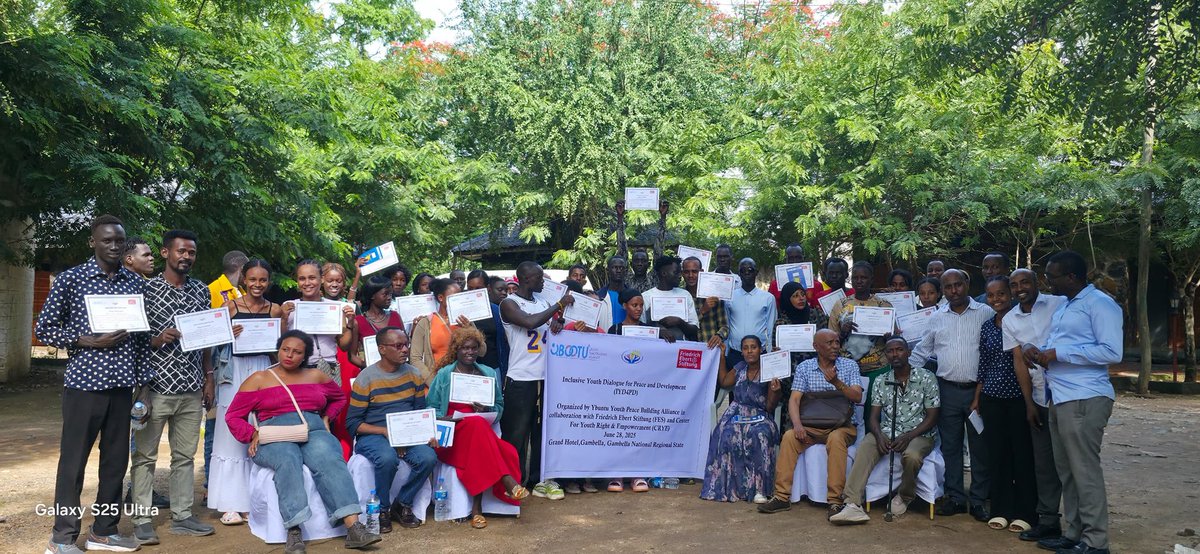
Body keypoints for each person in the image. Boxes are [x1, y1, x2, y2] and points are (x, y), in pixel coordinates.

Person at [36, 215, 149, 554]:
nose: (113, 246)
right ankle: (63, 538)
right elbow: (45, 329)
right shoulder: (72, 280)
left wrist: (143, 387)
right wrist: (85, 340)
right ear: (93, 242)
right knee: (73, 463)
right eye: (107, 240)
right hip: (84, 387)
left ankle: (104, 531)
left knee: (115, 462)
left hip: (121, 387)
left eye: (119, 241)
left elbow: (142, 340)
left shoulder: (134, 283)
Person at [226, 330, 381, 553]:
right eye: (285, 349)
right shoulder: (259, 379)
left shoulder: (316, 375)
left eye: (297, 352)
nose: (289, 355)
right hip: (273, 434)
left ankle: (354, 527)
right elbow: (233, 416)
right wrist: (251, 434)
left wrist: (327, 417)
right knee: (288, 459)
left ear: (305, 355)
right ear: (278, 350)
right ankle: (294, 531)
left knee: (329, 458)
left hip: (312, 429)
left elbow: (338, 398)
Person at [1024, 251, 1122, 554]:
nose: (1047, 282)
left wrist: (1058, 355)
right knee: (1066, 471)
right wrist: (1038, 352)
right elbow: (1061, 345)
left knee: (1084, 471)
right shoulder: (1067, 306)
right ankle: (1074, 532)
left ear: (1072, 277)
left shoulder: (1100, 304)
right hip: (1060, 396)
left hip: (1085, 397)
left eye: (1052, 276)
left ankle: (1095, 542)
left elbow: (1111, 352)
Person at [130, 229, 215, 543]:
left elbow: (207, 338)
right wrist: (157, 339)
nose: (186, 257)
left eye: (191, 252)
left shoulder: (201, 290)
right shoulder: (145, 289)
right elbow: (133, 338)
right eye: (181, 251)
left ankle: (182, 515)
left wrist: (209, 378)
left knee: (184, 457)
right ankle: (141, 519)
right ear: (165, 252)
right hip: (154, 388)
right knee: (144, 457)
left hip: (192, 387)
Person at [909, 269, 994, 521]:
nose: (954, 291)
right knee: (951, 447)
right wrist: (901, 371)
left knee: (980, 447)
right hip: (947, 390)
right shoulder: (937, 317)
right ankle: (956, 496)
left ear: (967, 284)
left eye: (958, 285)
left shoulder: (986, 313)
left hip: (978, 392)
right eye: (948, 287)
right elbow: (922, 350)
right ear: (942, 290)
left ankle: (978, 499)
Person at [427, 327, 529, 528]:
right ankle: (506, 481)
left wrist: (487, 408)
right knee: (477, 424)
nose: (470, 352)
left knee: (477, 423)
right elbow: (430, 407)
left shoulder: (488, 373)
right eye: (465, 348)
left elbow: (499, 406)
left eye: (474, 348)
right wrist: (446, 417)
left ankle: (476, 510)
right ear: (456, 350)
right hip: (452, 434)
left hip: (479, 433)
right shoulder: (445, 374)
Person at [829, 338, 940, 524]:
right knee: (865, 447)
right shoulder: (882, 380)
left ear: (909, 352)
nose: (895, 354)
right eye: (890, 351)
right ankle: (852, 504)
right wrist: (879, 436)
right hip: (888, 430)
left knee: (912, 456)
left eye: (900, 350)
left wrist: (908, 436)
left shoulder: (926, 377)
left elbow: (932, 417)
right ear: (885, 355)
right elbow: (873, 417)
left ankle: (904, 496)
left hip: (919, 433)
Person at [208, 259, 285, 526]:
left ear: (269, 282)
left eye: (262, 280)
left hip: (262, 370)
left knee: (260, 430)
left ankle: (254, 500)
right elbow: (210, 342)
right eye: (252, 279)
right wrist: (226, 333)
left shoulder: (275, 310)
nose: (257, 285)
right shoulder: (230, 306)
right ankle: (229, 503)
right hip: (234, 371)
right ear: (244, 280)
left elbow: (281, 348)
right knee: (231, 431)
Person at [758, 329, 863, 517]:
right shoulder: (805, 367)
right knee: (790, 436)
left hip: (842, 426)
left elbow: (857, 396)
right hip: (812, 426)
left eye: (837, 342)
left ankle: (835, 501)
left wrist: (837, 382)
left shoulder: (849, 366)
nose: (835, 346)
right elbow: (795, 399)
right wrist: (797, 425)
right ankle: (781, 497)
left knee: (836, 438)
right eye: (830, 343)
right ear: (816, 347)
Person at [346, 326, 437, 533]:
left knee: (428, 457)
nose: (405, 349)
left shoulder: (414, 375)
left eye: (406, 344)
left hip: (406, 433)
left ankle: (402, 503)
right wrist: (387, 433)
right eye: (398, 346)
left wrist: (425, 434)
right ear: (382, 349)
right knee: (387, 459)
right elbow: (353, 423)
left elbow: (419, 412)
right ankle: (383, 509)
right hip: (374, 434)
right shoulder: (366, 378)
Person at [1003, 268, 1067, 543]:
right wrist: (1029, 403)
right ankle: (1048, 521)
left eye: (1025, 282)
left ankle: (1077, 525)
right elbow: (1020, 363)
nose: (1020, 288)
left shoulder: (1058, 303)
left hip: (1067, 394)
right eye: (1014, 284)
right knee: (1043, 465)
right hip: (1040, 397)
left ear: (1037, 282)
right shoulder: (1010, 319)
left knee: (1070, 463)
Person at [499, 261, 574, 500]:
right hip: (521, 377)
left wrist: (557, 323)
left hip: (545, 376)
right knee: (516, 434)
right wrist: (559, 305)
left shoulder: (542, 302)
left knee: (541, 432)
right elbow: (530, 322)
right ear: (526, 279)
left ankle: (539, 480)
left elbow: (545, 327)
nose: (543, 281)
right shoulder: (508, 303)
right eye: (539, 277)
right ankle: (513, 482)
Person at [972, 276, 1036, 532]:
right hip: (992, 397)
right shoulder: (987, 327)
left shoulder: (1022, 321)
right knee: (996, 455)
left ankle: (1026, 512)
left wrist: (1030, 400)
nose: (996, 299)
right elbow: (984, 364)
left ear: (1010, 294)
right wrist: (977, 397)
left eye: (1001, 294)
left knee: (1022, 455)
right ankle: (1000, 509)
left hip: (1019, 397)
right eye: (991, 295)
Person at [281, 260, 356, 458]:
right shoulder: (289, 308)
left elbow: (344, 345)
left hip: (328, 369)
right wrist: (282, 319)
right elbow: (279, 345)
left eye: (312, 277)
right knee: (303, 417)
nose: (307, 282)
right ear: (297, 282)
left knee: (327, 419)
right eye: (302, 278)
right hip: (301, 370)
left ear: (321, 279)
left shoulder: (336, 307)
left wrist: (349, 323)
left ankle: (326, 460)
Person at [120, 237, 171, 510]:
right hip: (127, 372)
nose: (152, 259)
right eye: (146, 255)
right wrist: (157, 339)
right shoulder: (126, 289)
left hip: (142, 372)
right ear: (129, 259)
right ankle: (131, 490)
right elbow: (132, 336)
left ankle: (137, 488)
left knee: (137, 430)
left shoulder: (143, 286)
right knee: (135, 432)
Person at [702, 336, 782, 503]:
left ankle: (759, 489)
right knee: (726, 434)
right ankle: (729, 488)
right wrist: (723, 355)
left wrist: (775, 390)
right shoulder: (739, 368)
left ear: (760, 350)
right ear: (742, 351)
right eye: (745, 348)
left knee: (759, 435)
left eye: (753, 347)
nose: (749, 351)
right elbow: (724, 382)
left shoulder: (769, 369)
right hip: (737, 413)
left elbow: (770, 406)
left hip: (760, 415)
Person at [409, 278, 482, 380]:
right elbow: (415, 359)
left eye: (459, 296)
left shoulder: (465, 321)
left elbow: (482, 351)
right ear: (440, 298)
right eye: (453, 297)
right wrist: (433, 382)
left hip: (464, 381)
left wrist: (470, 329)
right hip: (435, 383)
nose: (458, 300)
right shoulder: (425, 323)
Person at [828, 261, 894, 373]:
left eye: (863, 277)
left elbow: (893, 340)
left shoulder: (884, 305)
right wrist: (843, 333)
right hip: (846, 367)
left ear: (871, 280)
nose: (859, 281)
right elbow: (829, 340)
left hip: (878, 366)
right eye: (855, 278)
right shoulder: (840, 304)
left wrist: (888, 337)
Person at [725, 258, 777, 369]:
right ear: (739, 273)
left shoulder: (768, 298)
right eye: (743, 270)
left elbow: (771, 327)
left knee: (758, 386)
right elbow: (726, 325)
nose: (747, 273)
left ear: (756, 272)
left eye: (750, 269)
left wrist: (769, 353)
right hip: (735, 353)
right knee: (733, 385)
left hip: (759, 354)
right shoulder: (729, 297)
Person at [640, 255, 700, 341]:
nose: (680, 276)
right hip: (653, 349)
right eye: (676, 272)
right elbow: (640, 327)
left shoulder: (685, 295)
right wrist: (657, 331)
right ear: (664, 273)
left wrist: (679, 322)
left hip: (680, 349)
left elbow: (694, 330)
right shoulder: (646, 297)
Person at [348, 276, 403, 368]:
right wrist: (371, 368)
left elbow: (406, 344)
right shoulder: (358, 322)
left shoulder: (395, 316)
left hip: (399, 372)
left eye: (390, 294)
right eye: (385, 294)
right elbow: (352, 356)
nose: (389, 298)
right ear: (372, 296)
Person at [681, 256, 729, 349]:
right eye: (687, 272)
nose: (691, 275)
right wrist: (702, 311)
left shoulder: (714, 296)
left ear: (701, 272)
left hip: (711, 351)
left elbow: (725, 326)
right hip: (688, 352)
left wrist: (719, 336)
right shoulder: (680, 297)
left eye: (695, 271)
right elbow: (682, 326)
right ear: (682, 273)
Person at [808, 257, 852, 330]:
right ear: (825, 274)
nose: (834, 276)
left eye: (838, 273)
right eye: (831, 273)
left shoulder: (854, 294)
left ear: (846, 275)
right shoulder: (819, 297)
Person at [483, 276, 510, 378]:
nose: (504, 293)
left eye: (506, 290)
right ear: (489, 289)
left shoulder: (503, 310)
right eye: (500, 290)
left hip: (497, 364)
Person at [596, 256, 630, 332]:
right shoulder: (598, 297)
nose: (618, 270)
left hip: (628, 341)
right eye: (615, 267)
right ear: (608, 270)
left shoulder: (633, 297)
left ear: (626, 271)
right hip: (604, 340)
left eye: (621, 268)